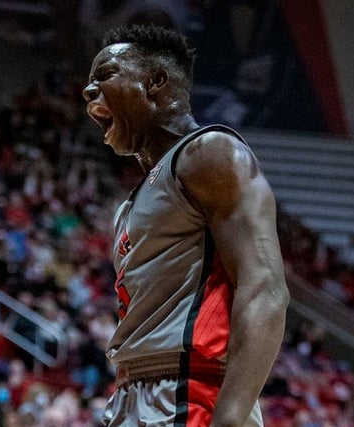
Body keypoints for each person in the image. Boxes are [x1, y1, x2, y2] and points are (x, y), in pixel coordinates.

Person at [81, 24, 290, 426]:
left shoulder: (210, 152)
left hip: (190, 393)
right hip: (133, 392)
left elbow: (265, 289)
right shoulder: (133, 200)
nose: (89, 92)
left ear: (155, 81)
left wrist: (229, 419)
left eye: (104, 75)